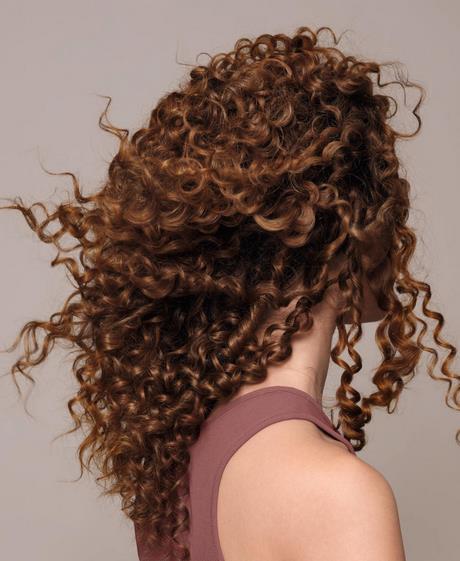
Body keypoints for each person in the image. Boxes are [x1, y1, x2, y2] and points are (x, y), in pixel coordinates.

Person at [1, 25, 458, 561]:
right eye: (384, 195)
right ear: (337, 227)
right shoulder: (334, 494)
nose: (397, 227)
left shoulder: (181, 465)